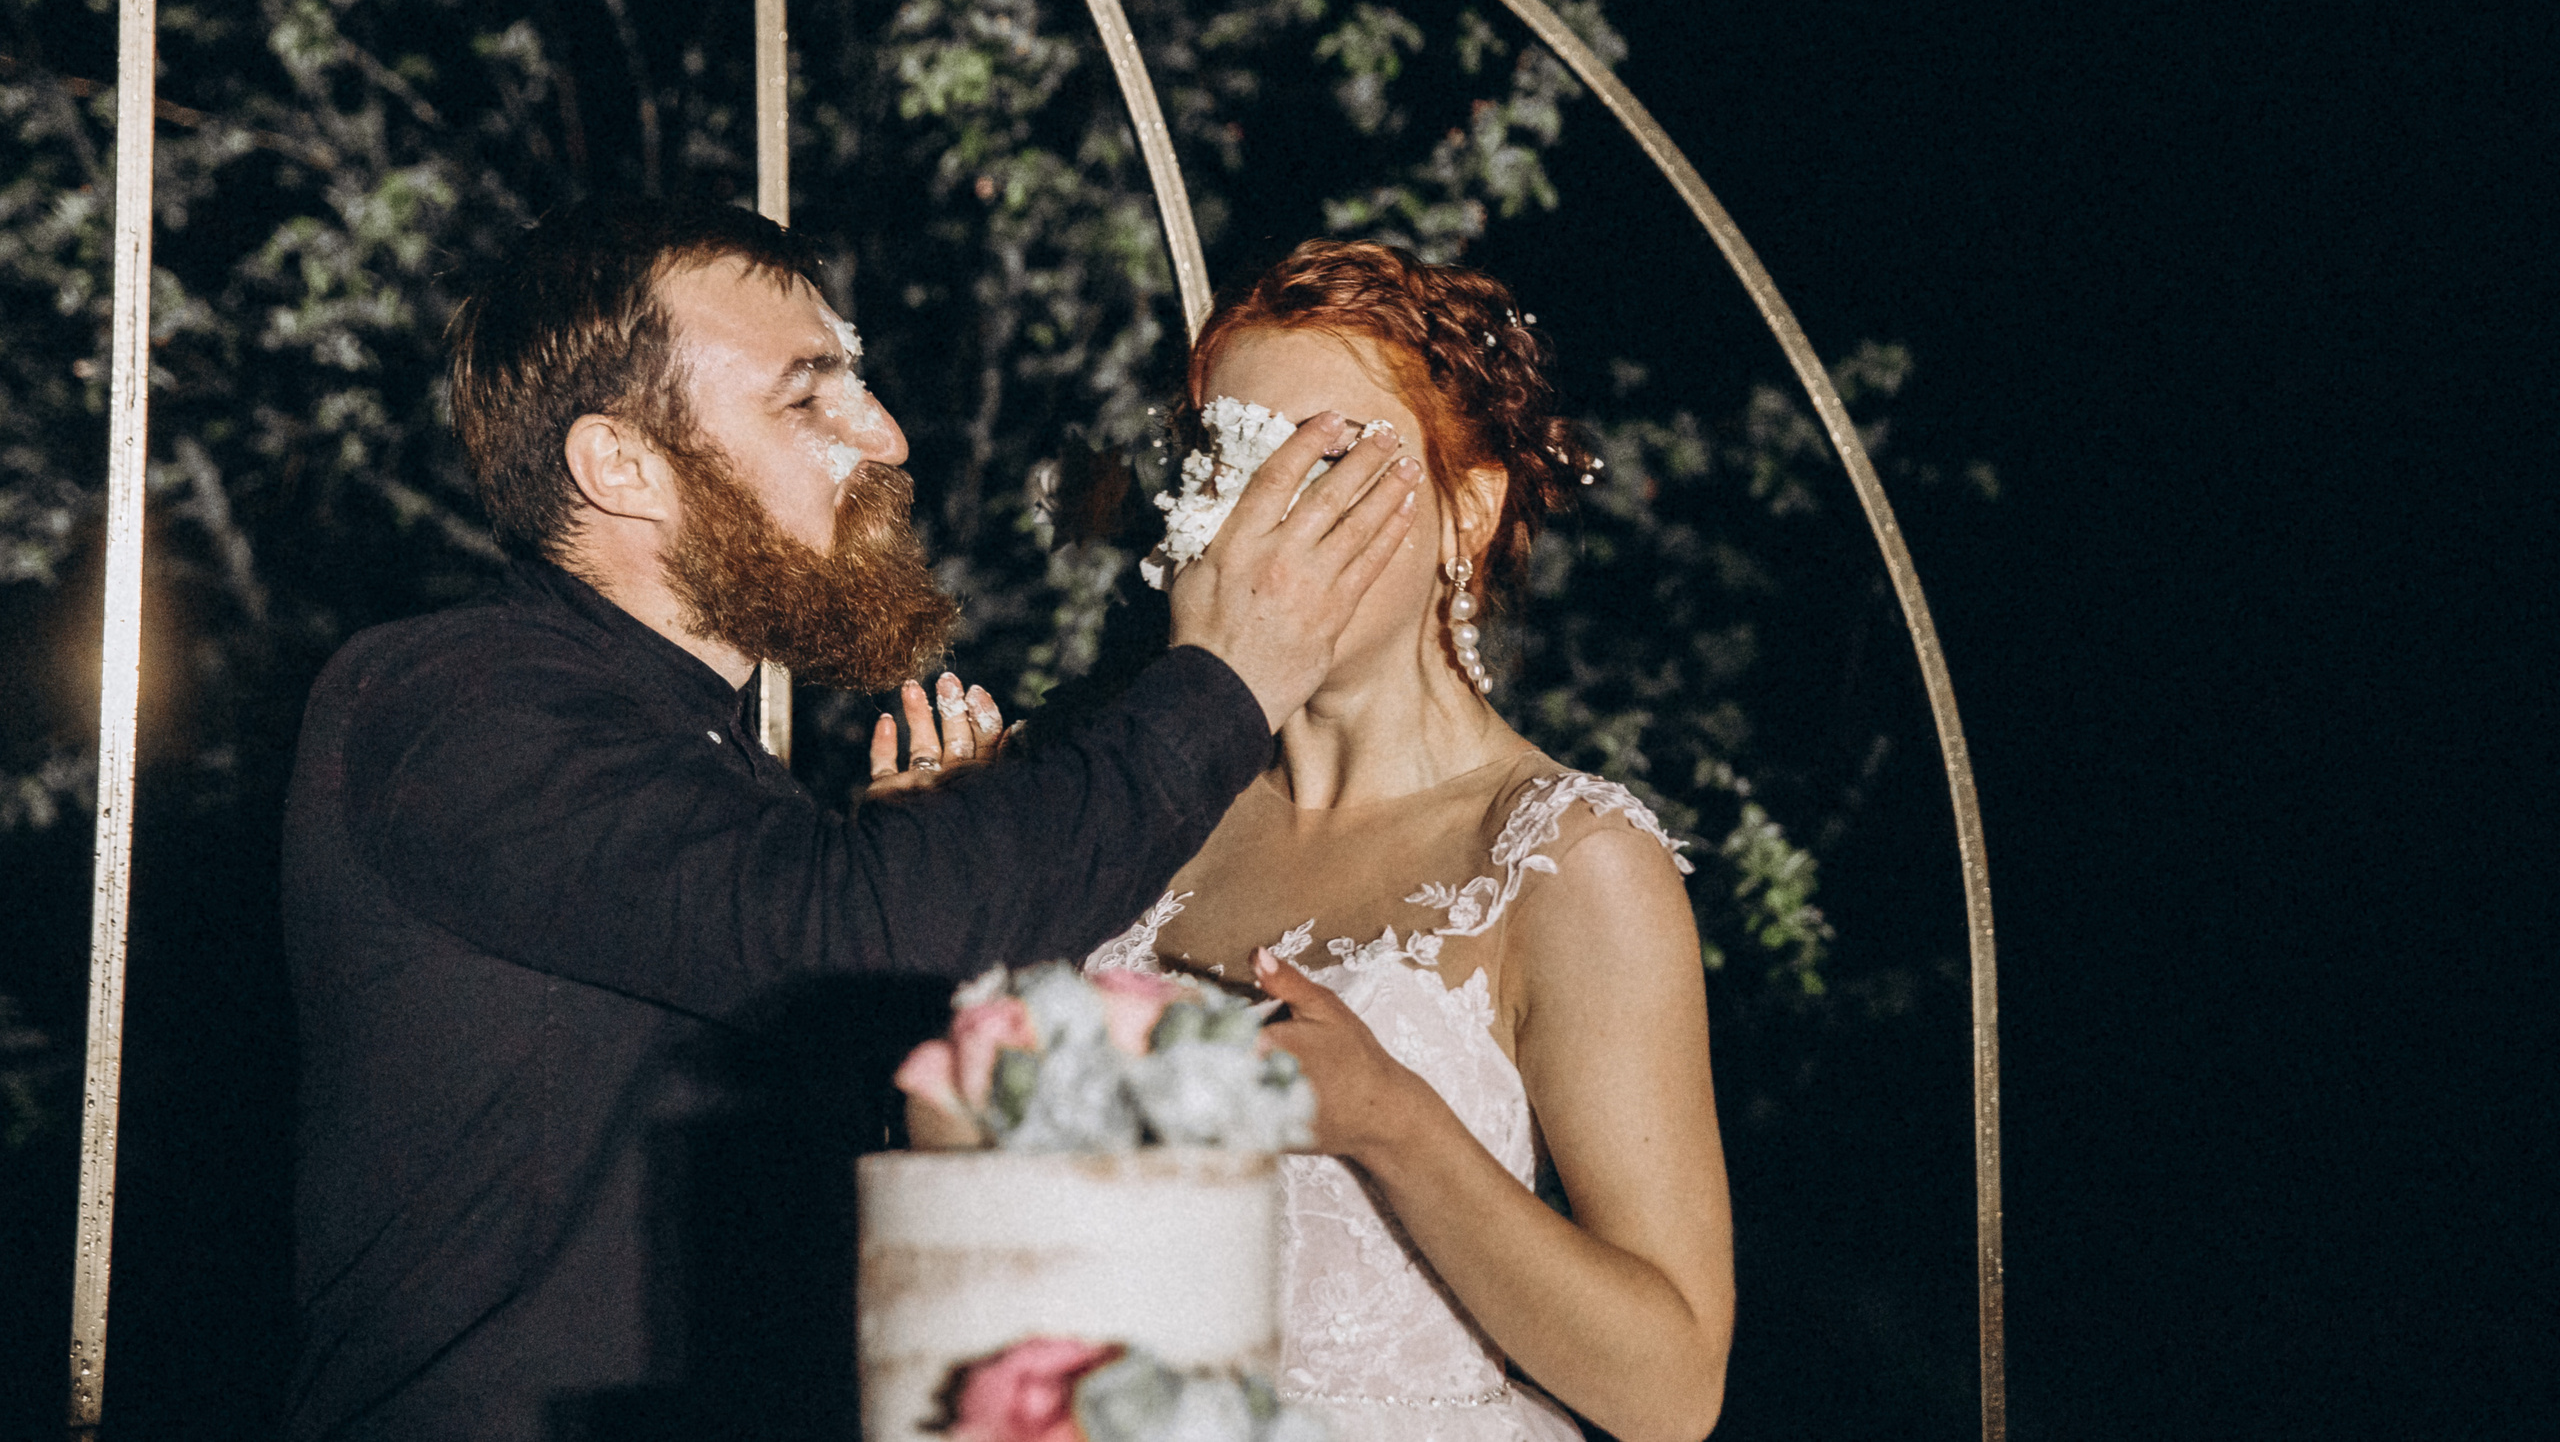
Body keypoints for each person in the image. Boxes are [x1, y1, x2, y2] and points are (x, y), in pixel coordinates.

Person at [279, 199, 1421, 1442]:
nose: (883, 435)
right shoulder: (448, 699)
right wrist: (1230, 675)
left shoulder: (712, 763)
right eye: (807, 396)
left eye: (858, 386)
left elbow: (832, 993)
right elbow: (849, 928)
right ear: (620, 466)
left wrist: (929, 887)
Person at [1087, 240, 1735, 1442]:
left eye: (1322, 464)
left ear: (1466, 511)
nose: (1260, 521)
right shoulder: (1133, 806)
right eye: (1229, 462)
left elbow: (1672, 1390)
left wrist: (1392, 1122)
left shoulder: (1565, 860)